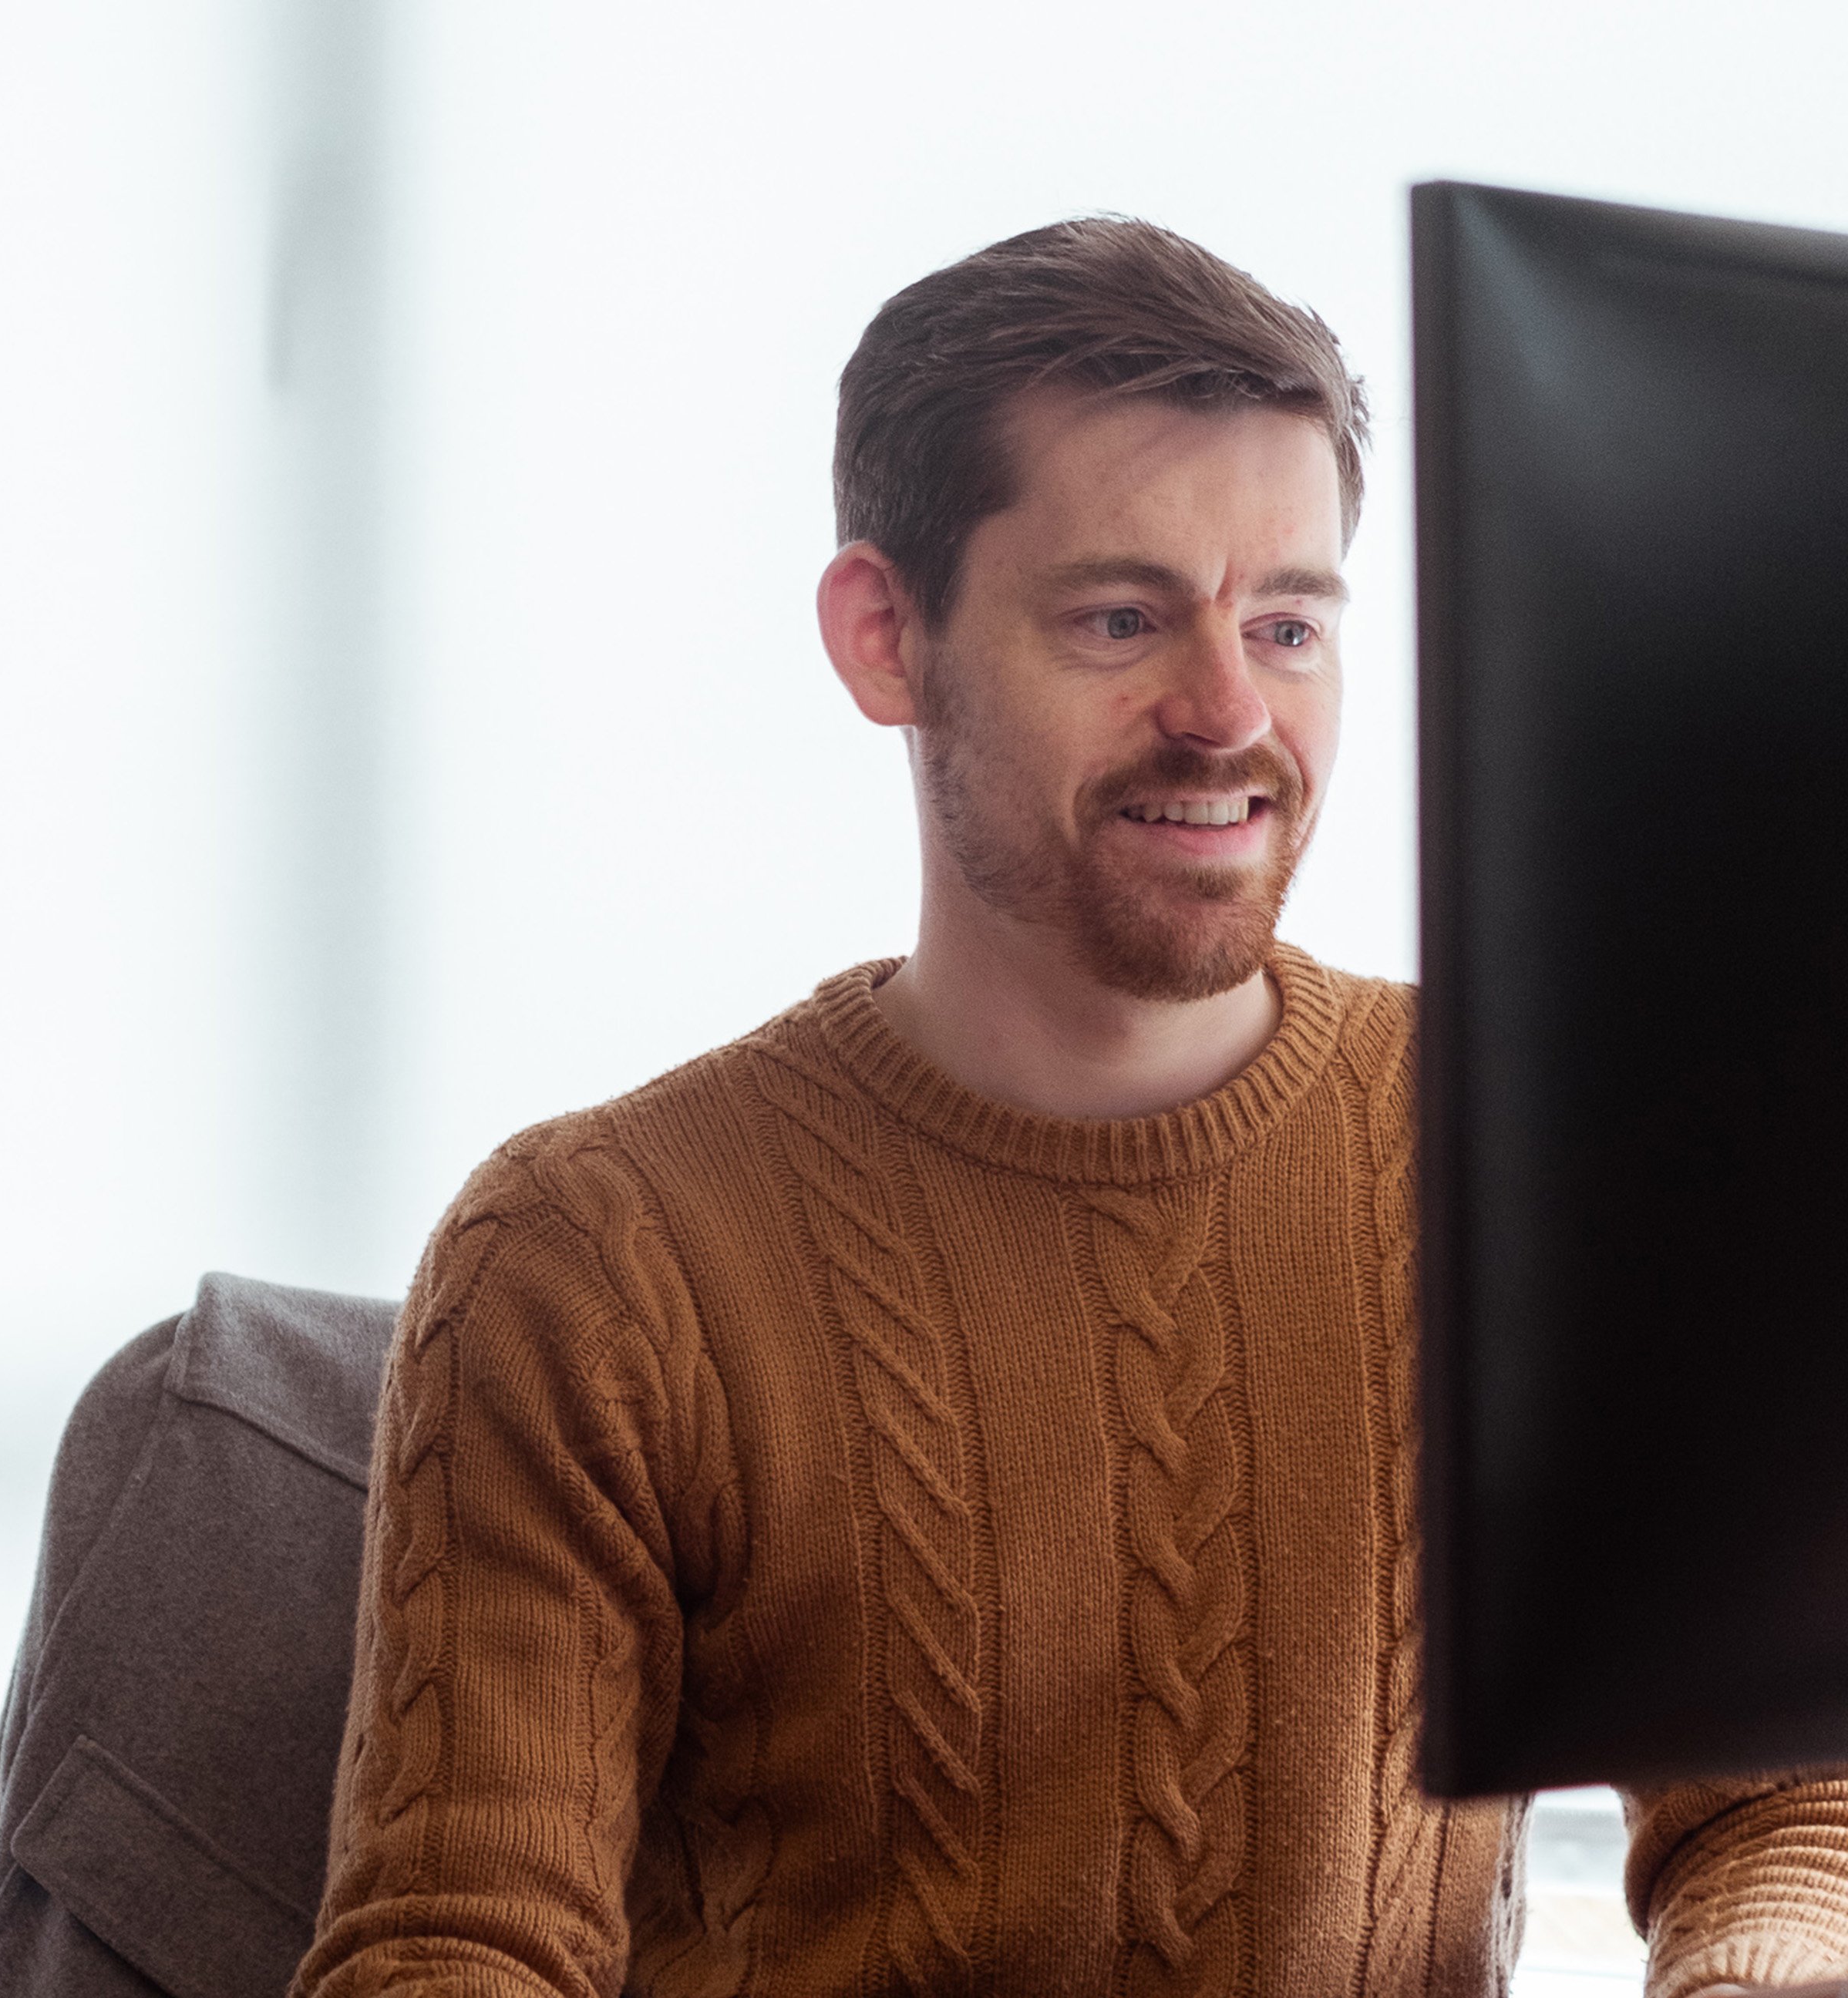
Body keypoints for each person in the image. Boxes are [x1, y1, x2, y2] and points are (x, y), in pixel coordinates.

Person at [292, 219, 1848, 1998]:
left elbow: (1785, 1805)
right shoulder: (587, 1257)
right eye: (1122, 618)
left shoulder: (1549, 1168)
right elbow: (452, 1947)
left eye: (1287, 622)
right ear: (887, 639)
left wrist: (1749, 1978)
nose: (1228, 713)